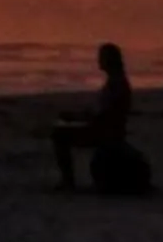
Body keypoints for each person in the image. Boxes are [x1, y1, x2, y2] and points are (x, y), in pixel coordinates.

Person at [51, 41, 133, 189]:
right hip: (109, 130)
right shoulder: (117, 80)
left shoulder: (116, 83)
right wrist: (77, 117)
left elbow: (106, 115)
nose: (98, 61)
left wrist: (80, 119)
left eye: (101, 57)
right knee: (63, 129)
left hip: (107, 133)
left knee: (60, 135)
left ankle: (68, 181)